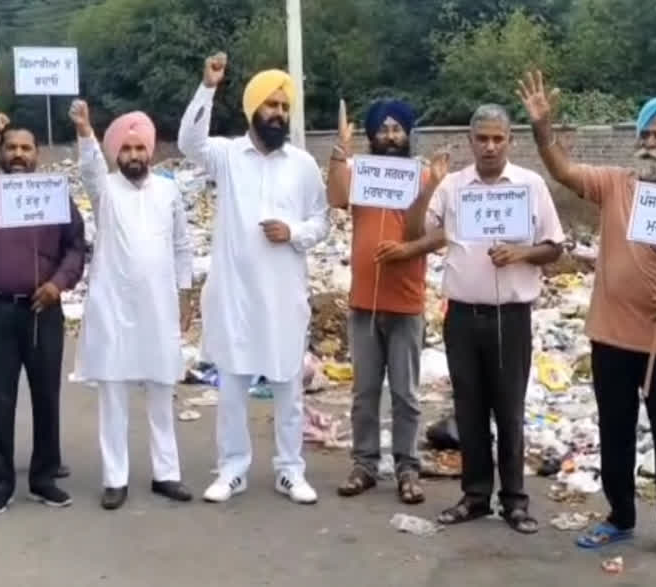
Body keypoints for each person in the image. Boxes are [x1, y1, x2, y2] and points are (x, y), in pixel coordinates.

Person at [518, 71, 656, 565]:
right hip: (610, 335)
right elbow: (563, 170)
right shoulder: (617, 184)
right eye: (646, 134)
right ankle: (618, 517)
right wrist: (542, 130)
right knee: (614, 429)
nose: (651, 143)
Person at [178, 52, 329, 504]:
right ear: (253, 109)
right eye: (272, 105)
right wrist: (208, 87)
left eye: (285, 107)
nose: (279, 114)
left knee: (288, 388)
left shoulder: (302, 164)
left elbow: (322, 221)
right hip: (235, 297)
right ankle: (232, 469)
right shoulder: (226, 155)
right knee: (233, 389)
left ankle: (289, 470)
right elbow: (188, 142)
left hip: (283, 296)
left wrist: (294, 232)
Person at [407, 103, 563, 533]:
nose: (490, 146)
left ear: (510, 141)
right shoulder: (454, 186)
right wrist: (429, 185)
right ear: (471, 141)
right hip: (461, 315)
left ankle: (514, 501)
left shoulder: (529, 185)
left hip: (510, 317)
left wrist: (521, 253)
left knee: (509, 411)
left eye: (498, 138)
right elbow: (416, 233)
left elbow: (554, 246)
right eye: (482, 138)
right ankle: (475, 496)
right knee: (469, 409)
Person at [0, 81, 86, 518]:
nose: (19, 155)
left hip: (43, 310)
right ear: (0, 152)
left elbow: (77, 247)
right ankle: (0, 483)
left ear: (37, 154)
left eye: (27, 148)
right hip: (0, 311)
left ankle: (44, 478)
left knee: (46, 396)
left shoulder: (54, 194)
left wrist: (58, 284)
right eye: (11, 148)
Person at [70, 100, 194, 511]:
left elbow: (181, 245)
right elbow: (89, 167)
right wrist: (86, 131)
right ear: (116, 153)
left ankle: (166, 474)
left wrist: (186, 292)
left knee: (162, 391)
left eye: (140, 148)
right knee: (114, 396)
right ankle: (115, 479)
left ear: (151, 151)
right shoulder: (106, 190)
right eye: (126, 148)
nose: (134, 155)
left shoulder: (168, 190)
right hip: (114, 310)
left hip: (158, 309)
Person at [325, 99, 442, 505]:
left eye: (397, 128)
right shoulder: (361, 174)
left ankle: (408, 468)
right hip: (364, 302)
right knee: (364, 391)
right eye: (382, 129)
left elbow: (438, 236)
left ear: (408, 133)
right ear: (371, 136)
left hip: (406, 302)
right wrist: (339, 151)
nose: (390, 136)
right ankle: (364, 465)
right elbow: (336, 198)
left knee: (406, 394)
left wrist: (406, 252)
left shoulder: (426, 176)